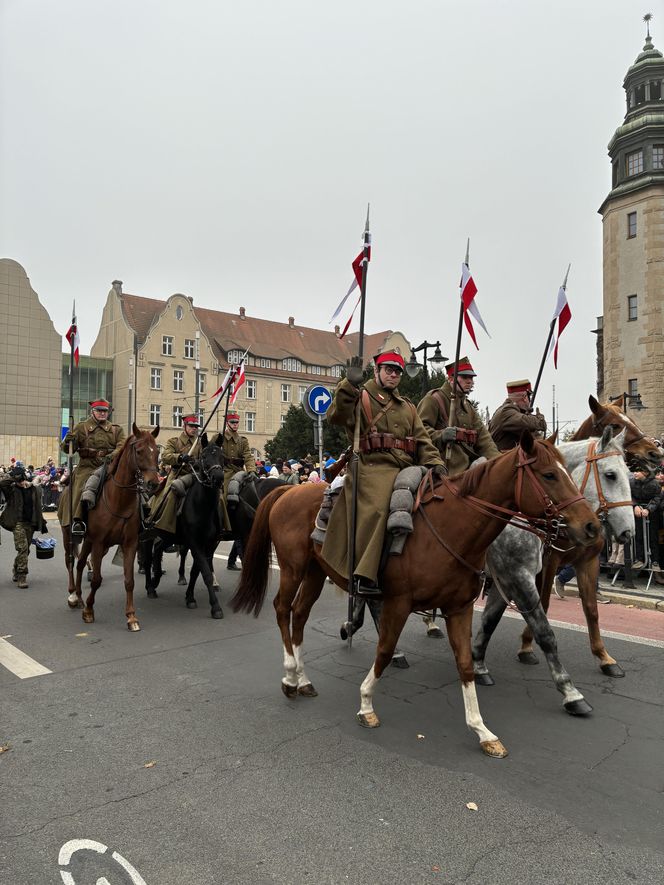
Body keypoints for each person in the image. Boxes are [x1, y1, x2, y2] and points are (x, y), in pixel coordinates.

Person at [321, 349, 445, 596]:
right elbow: (335, 416)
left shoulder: (408, 407)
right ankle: (365, 574)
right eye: (388, 369)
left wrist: (435, 463)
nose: (394, 374)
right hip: (371, 467)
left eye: (398, 371)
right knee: (380, 507)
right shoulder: (361, 396)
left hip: (406, 468)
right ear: (376, 370)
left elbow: (422, 441)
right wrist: (348, 385)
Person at [417, 356, 499, 478]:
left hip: (468, 464)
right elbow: (419, 432)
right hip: (443, 465)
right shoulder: (434, 399)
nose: (469, 381)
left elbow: (484, 439)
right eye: (464, 377)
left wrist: (499, 461)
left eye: (471, 377)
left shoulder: (468, 407)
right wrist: (441, 435)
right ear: (450, 378)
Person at [59, 400, 126, 537]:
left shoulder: (116, 429)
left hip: (109, 467)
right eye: (99, 410)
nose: (102, 413)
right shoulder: (81, 427)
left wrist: (112, 456)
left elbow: (122, 446)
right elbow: (67, 450)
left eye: (105, 411)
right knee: (81, 487)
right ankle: (77, 521)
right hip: (87, 466)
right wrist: (68, 441)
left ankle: (137, 520)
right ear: (92, 412)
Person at [148, 414, 200, 535]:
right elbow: (165, 456)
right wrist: (180, 457)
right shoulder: (174, 441)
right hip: (178, 474)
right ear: (184, 426)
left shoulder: (199, 443)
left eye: (196, 426)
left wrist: (197, 462)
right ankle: (163, 526)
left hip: (194, 476)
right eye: (191, 426)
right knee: (170, 494)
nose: (194, 429)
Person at [0, 465, 48, 588]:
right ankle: (22, 576)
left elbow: (37, 507)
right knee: (22, 549)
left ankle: (16, 568)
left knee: (26, 550)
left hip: (30, 523)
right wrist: (13, 477)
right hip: (18, 523)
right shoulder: (11, 489)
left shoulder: (33, 489)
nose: (21, 482)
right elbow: (2, 483)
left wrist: (41, 523)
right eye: (19, 480)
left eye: (21, 479)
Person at [223, 412, 257, 569]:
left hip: (238, 471)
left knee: (252, 491)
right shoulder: (220, 438)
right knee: (224, 494)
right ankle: (224, 520)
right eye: (232, 422)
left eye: (237, 422)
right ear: (227, 423)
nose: (235, 424)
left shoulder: (243, 440)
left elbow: (248, 456)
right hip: (223, 472)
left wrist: (251, 470)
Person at [488, 379, 547, 450]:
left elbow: (535, 437)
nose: (529, 401)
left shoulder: (514, 412)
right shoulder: (506, 411)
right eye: (529, 397)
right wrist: (540, 420)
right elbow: (526, 423)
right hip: (500, 458)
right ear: (524, 398)